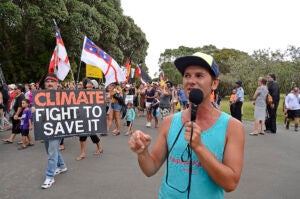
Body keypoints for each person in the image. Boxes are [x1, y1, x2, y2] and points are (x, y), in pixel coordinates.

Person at [128, 52, 245, 198]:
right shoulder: (169, 122)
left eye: (199, 75)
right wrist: (142, 152)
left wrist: (199, 147)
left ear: (214, 83)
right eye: (187, 75)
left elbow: (230, 183)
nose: (191, 80)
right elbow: (150, 169)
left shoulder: (232, 127)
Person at [40, 73, 67, 189]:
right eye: (47, 81)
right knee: (51, 150)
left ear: (57, 83)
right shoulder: (40, 96)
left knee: (51, 152)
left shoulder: (64, 96)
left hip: (58, 128)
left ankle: (49, 177)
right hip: (46, 128)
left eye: (52, 81)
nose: (50, 83)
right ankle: (62, 166)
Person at [76, 79, 103, 160]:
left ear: (93, 85)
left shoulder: (96, 94)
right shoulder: (83, 91)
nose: (88, 83)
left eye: (90, 83)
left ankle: (98, 148)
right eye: (88, 82)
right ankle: (83, 152)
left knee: (91, 134)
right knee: (84, 134)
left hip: (91, 116)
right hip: (83, 115)